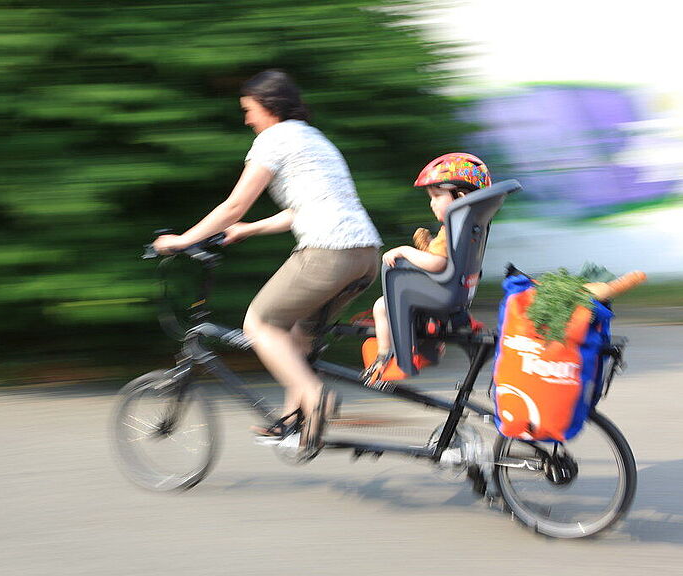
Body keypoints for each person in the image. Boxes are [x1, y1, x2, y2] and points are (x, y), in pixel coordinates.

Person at [154, 69, 382, 445]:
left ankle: (315, 398)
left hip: (327, 252)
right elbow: (303, 207)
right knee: (300, 333)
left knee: (259, 324)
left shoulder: (274, 138)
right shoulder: (314, 139)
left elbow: (234, 204)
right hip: (366, 255)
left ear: (269, 106)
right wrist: (250, 228)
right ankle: (297, 422)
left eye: (249, 109)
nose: (247, 119)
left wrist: (182, 241)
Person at [361, 152, 492, 385]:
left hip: (442, 292)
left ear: (460, 196)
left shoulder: (451, 229)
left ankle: (386, 357)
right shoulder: (470, 225)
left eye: (436, 195)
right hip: (458, 293)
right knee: (397, 300)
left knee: (382, 305)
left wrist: (405, 251)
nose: (431, 203)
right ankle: (425, 351)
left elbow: (437, 263)